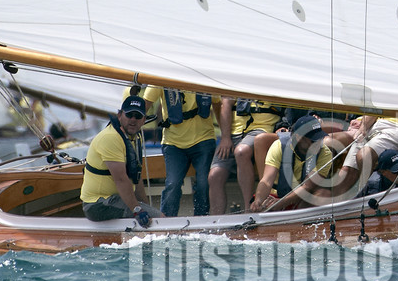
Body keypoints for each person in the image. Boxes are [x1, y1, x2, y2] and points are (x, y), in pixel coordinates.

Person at [79, 94, 160, 224]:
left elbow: (136, 178)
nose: (133, 120)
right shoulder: (111, 137)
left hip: (116, 198)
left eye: (138, 116)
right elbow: (121, 179)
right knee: (159, 219)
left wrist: (145, 207)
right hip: (97, 204)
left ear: (144, 120)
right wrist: (138, 210)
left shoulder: (134, 137)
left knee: (155, 218)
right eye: (129, 115)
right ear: (119, 115)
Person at [143, 87, 217, 216]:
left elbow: (218, 104)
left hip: (204, 139)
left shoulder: (204, 78)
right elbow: (144, 106)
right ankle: (167, 220)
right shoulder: (161, 79)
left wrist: (226, 137)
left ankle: (201, 218)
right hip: (173, 143)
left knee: (204, 183)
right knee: (173, 184)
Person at [250, 115, 340, 213]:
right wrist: (258, 200)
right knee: (259, 204)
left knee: (324, 194)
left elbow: (307, 186)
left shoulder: (325, 153)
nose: (318, 143)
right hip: (276, 195)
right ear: (298, 137)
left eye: (320, 138)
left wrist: (280, 203)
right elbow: (267, 180)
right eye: (313, 140)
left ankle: (299, 219)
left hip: (300, 199)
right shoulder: (279, 146)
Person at [208, 97, 285, 212]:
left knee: (241, 151)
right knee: (215, 175)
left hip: (261, 128)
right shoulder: (236, 86)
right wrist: (225, 138)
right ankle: (216, 219)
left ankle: (248, 209)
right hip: (234, 132)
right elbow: (225, 104)